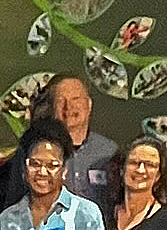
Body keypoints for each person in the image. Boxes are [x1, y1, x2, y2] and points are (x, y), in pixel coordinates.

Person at [51, 75, 118, 209]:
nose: (68, 107)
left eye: (75, 99)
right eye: (60, 101)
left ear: (89, 105)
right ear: (52, 108)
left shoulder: (110, 152)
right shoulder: (39, 152)